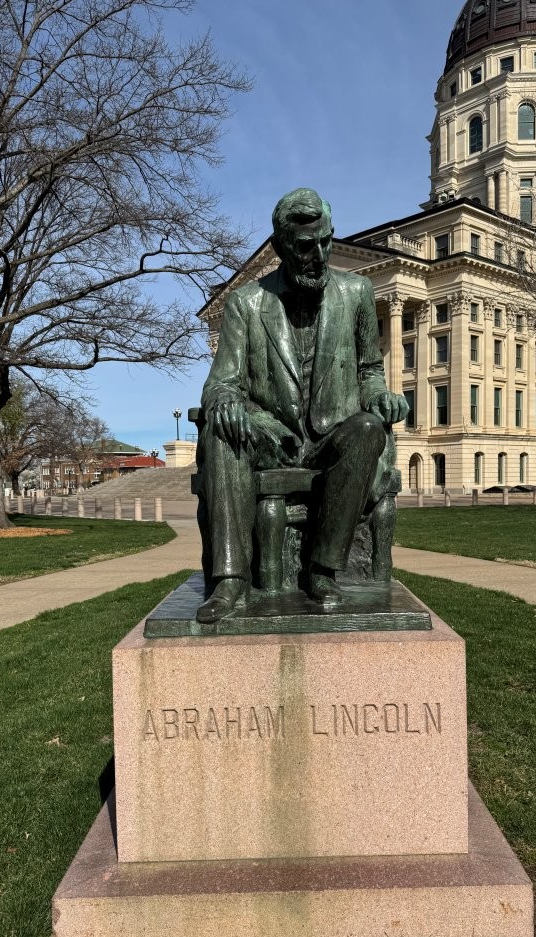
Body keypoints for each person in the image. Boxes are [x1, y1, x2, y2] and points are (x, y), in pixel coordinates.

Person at [196, 188, 407, 624]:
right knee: (221, 427)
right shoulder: (246, 303)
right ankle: (230, 579)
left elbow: (370, 370)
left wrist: (380, 397)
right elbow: (222, 384)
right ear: (279, 248)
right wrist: (229, 404)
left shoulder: (357, 292)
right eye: (306, 246)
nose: (319, 255)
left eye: (326, 242)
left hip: (334, 432)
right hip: (272, 435)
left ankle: (323, 570)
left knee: (368, 430)